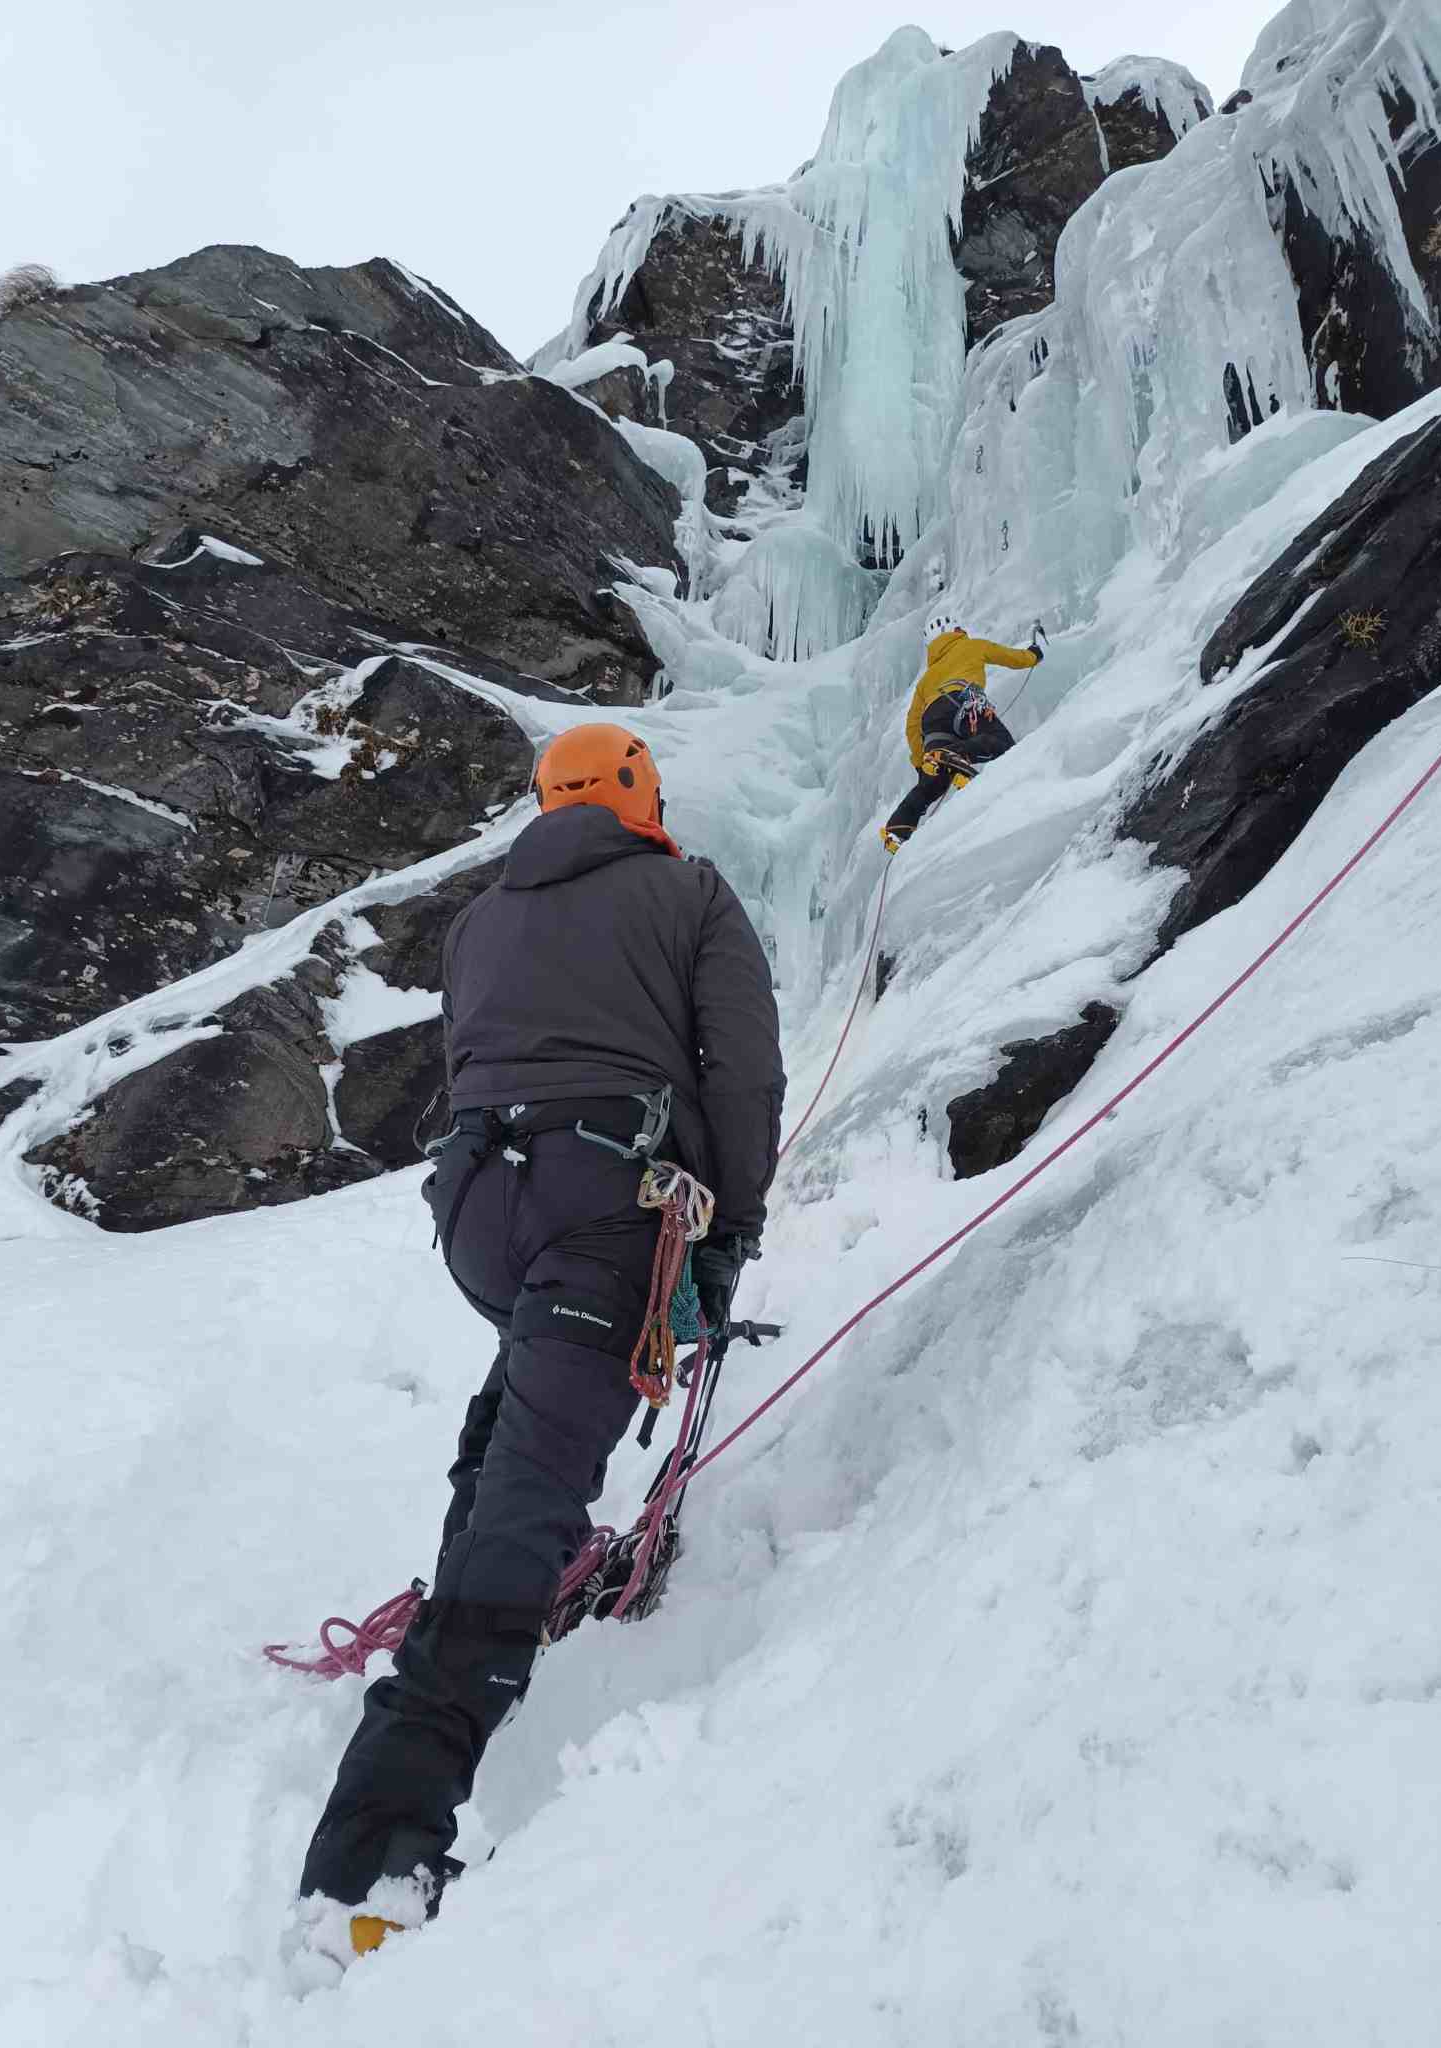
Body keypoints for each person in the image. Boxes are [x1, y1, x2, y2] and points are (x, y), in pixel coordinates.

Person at [295, 722, 784, 1963]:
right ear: (638, 798)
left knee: (525, 1414)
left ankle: (489, 1569)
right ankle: (374, 1861)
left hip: (481, 1213)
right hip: (601, 1203)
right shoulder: (688, 888)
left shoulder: (479, 918)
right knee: (528, 1491)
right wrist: (726, 1231)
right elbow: (742, 1074)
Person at [880, 612, 1045, 854]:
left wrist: (920, 763)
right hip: (963, 700)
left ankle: (896, 829)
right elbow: (1009, 657)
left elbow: (912, 725)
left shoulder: (926, 680)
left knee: (932, 784)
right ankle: (954, 755)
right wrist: (1033, 655)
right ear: (955, 630)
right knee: (1002, 743)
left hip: (932, 720)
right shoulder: (971, 646)